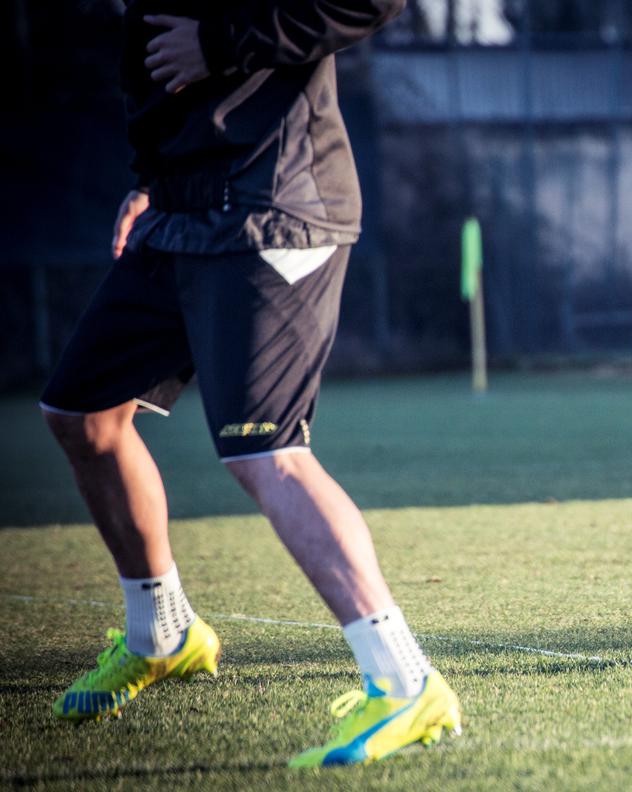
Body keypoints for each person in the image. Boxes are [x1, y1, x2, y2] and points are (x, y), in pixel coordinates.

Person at [40, 0, 460, 767]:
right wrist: (152, 178)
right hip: (177, 213)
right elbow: (160, 72)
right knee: (80, 415)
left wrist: (220, 39)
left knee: (266, 452)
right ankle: (160, 632)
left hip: (277, 208)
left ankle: (405, 684)